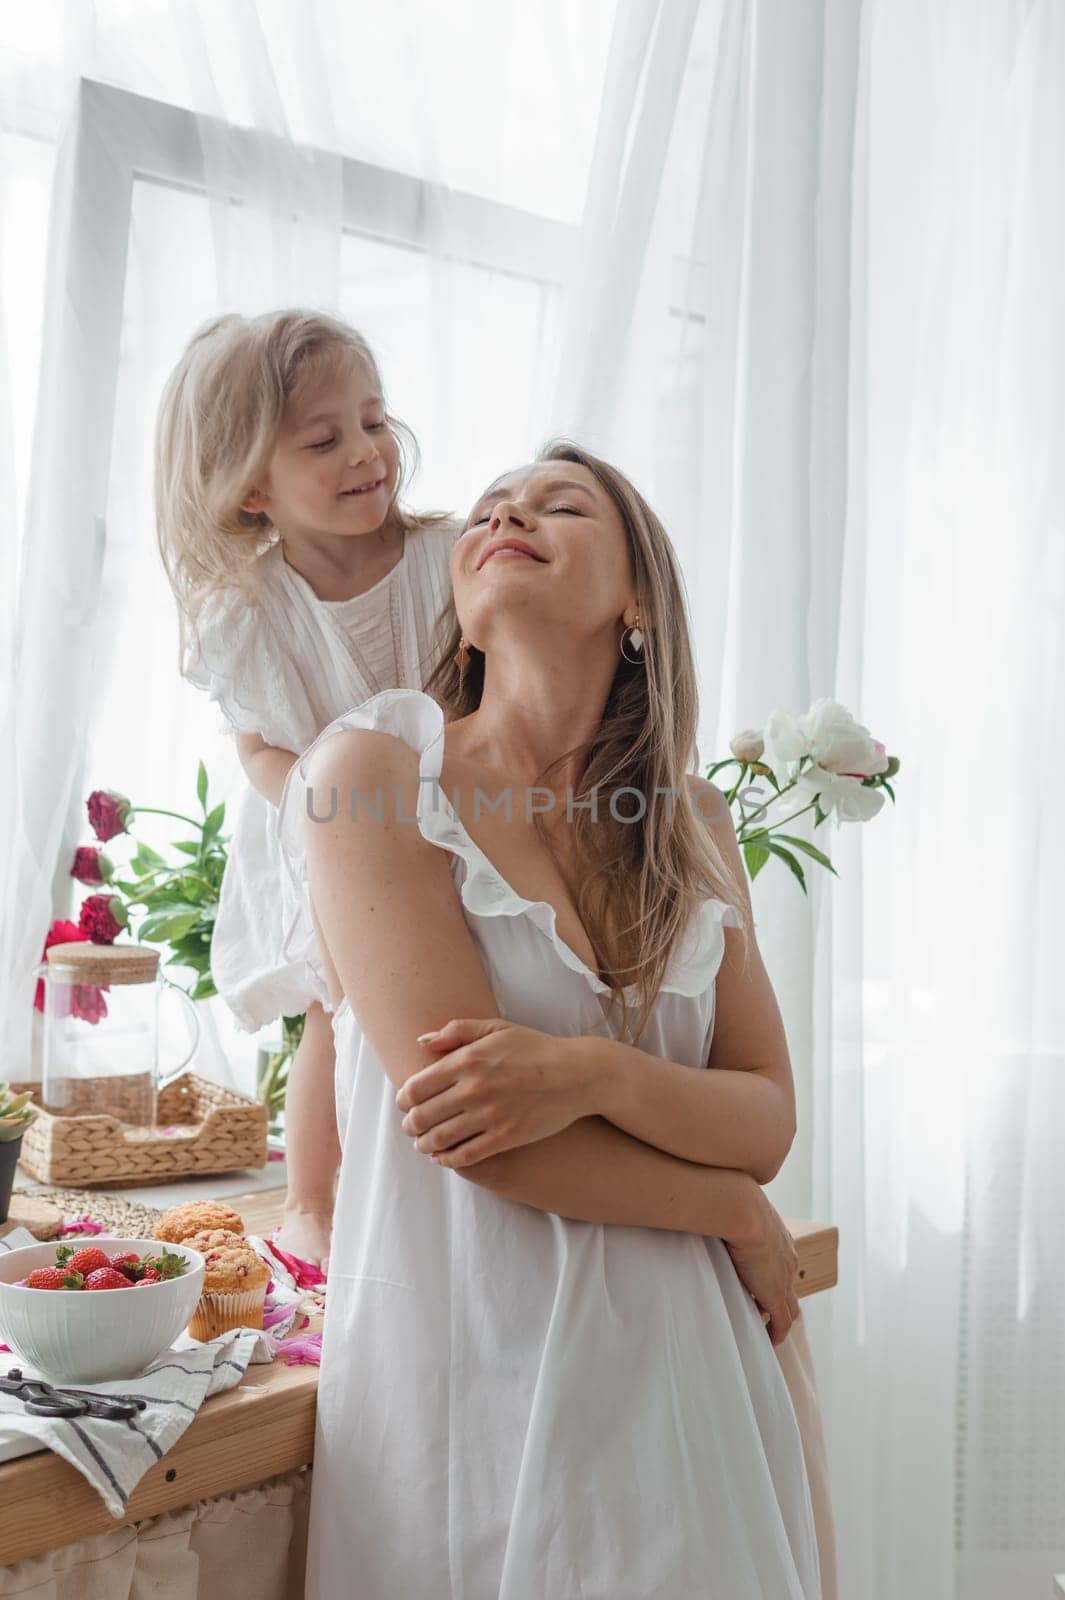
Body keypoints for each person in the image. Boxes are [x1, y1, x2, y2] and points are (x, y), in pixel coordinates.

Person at [277, 441, 830, 1597]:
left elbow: (766, 1115)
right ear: (465, 617)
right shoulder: (371, 773)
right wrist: (724, 1204)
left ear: (637, 601)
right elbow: (474, 1127)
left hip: (696, 1385)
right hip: (471, 1382)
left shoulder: (693, 825)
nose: (507, 514)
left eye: (558, 504)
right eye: (488, 510)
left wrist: (591, 1073)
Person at [154, 308, 458, 1269]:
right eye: (325, 439)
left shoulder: (445, 559)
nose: (367, 451)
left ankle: (438, 1193)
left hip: (459, 810)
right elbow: (256, 750)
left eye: (373, 420)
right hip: (327, 827)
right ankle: (313, 1204)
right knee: (339, 1009)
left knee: (458, 1003)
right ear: (250, 487)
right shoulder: (248, 613)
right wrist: (345, 807)